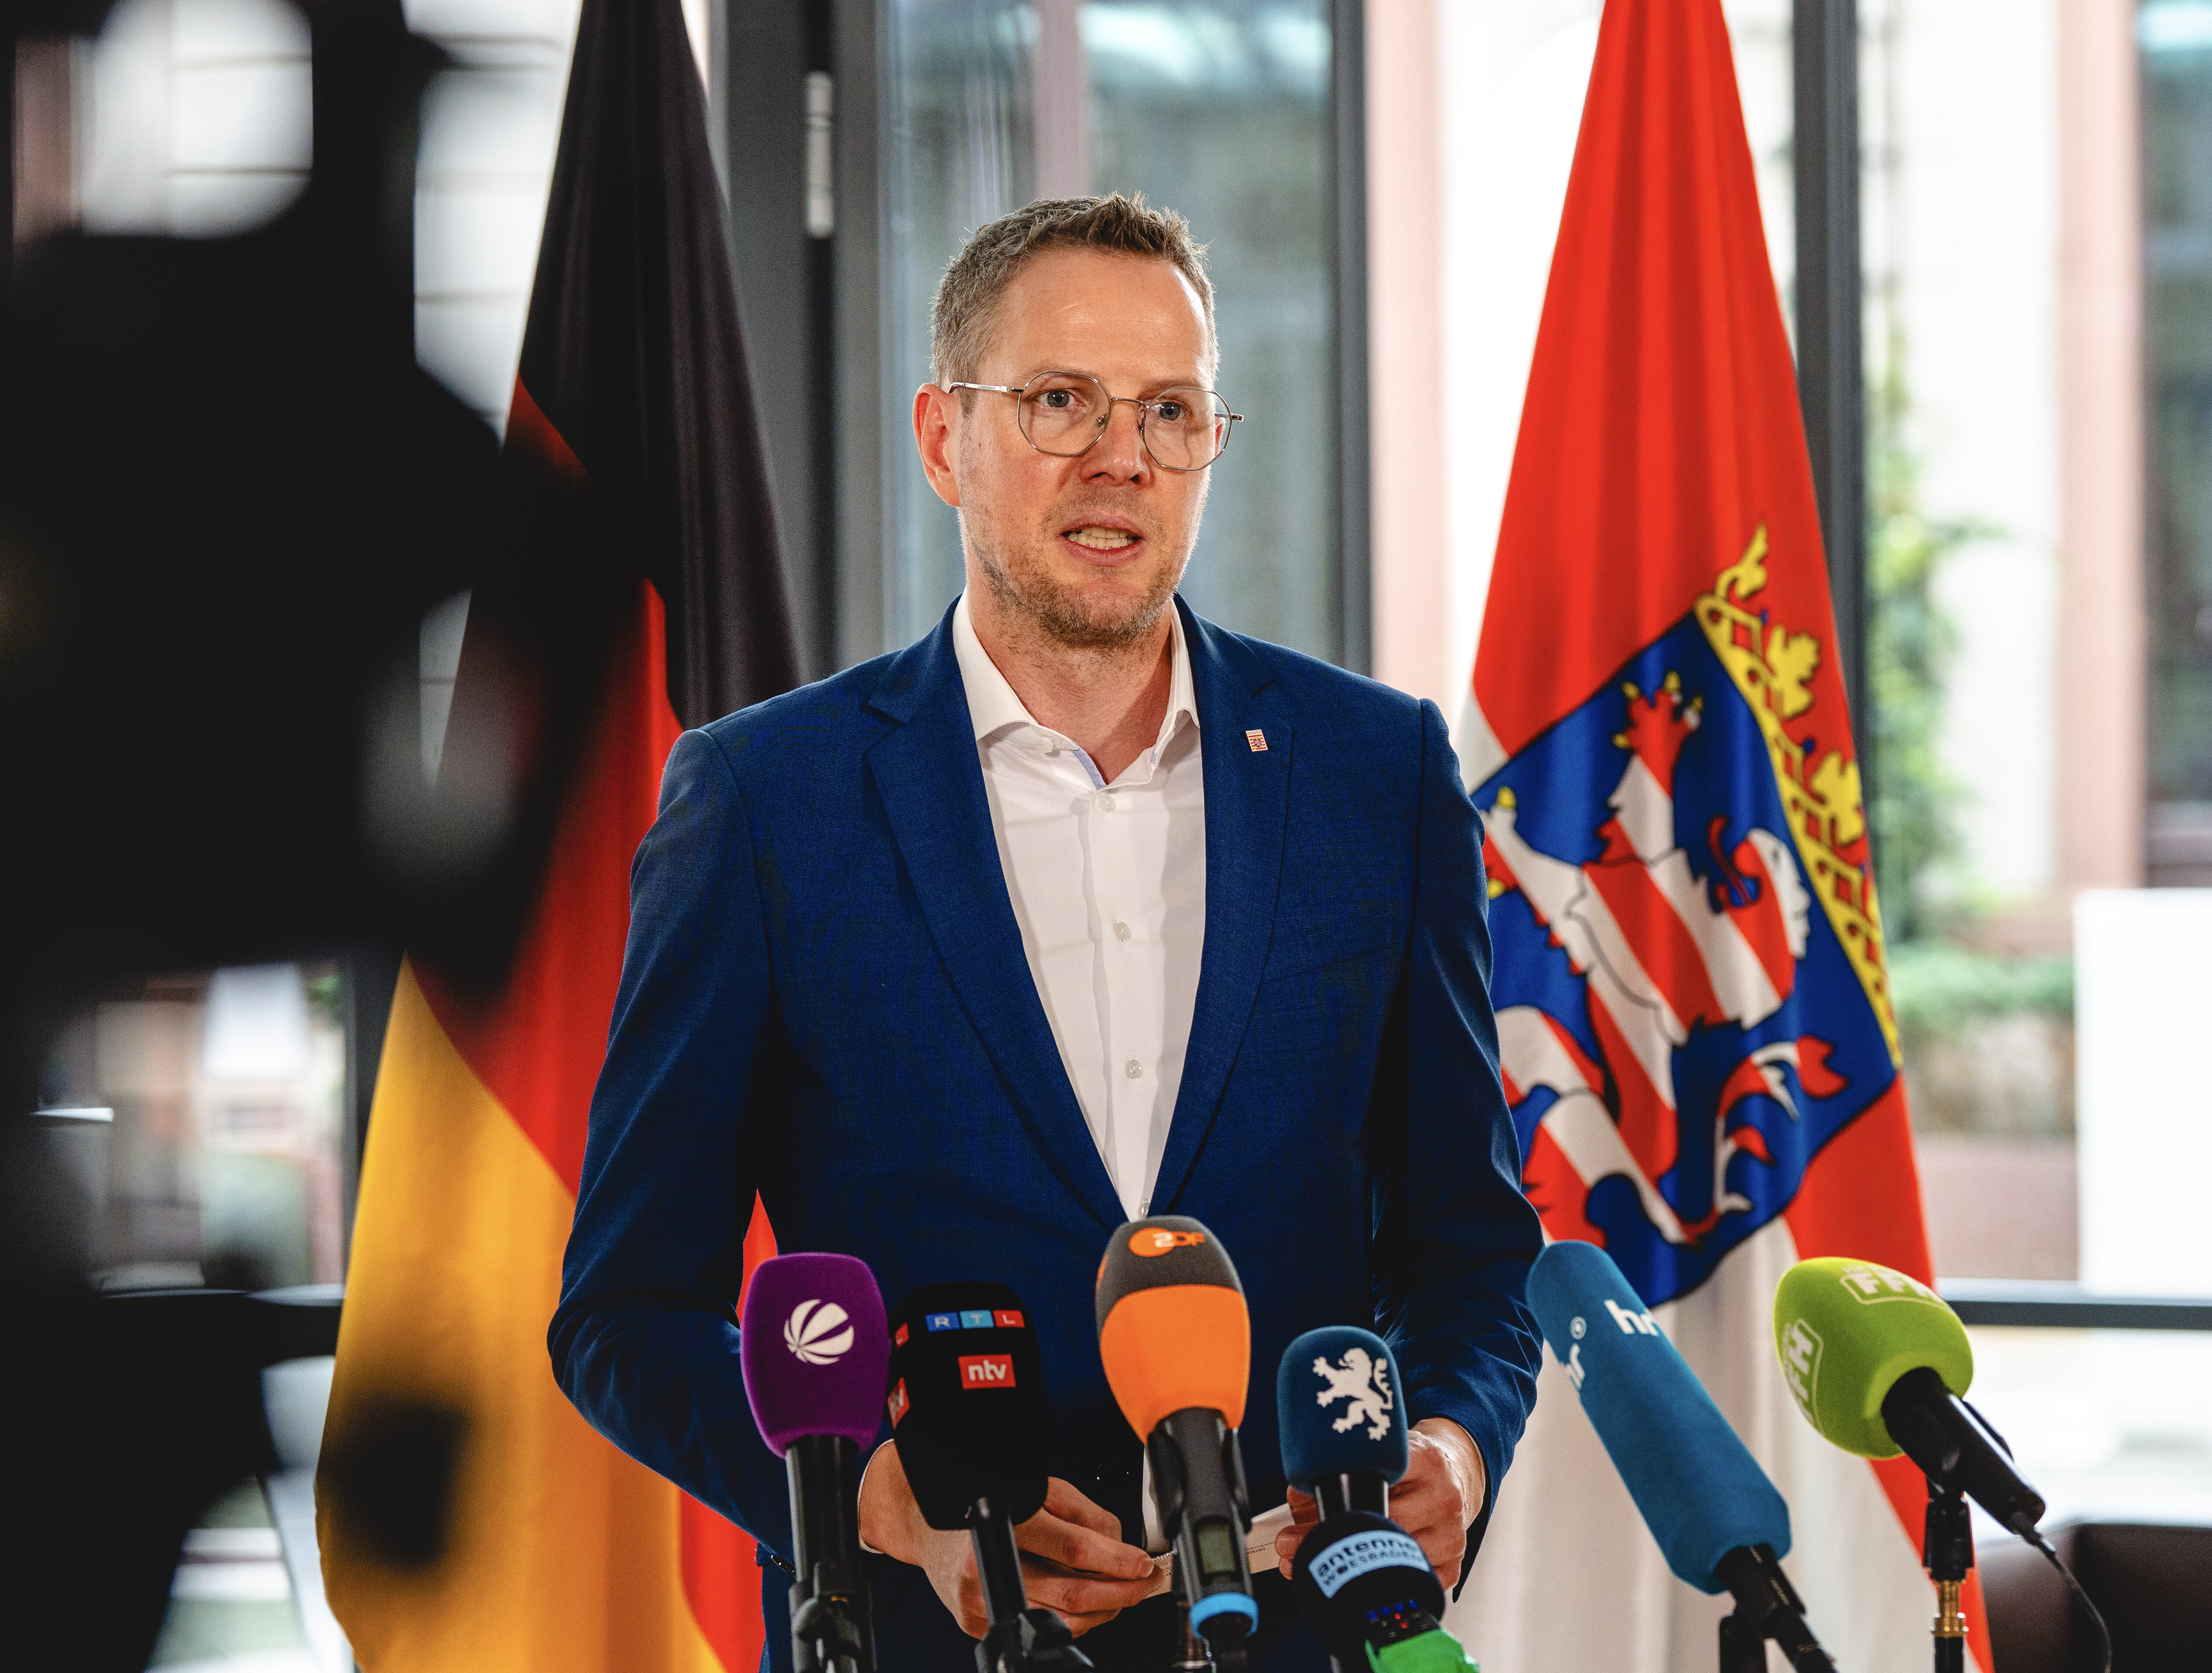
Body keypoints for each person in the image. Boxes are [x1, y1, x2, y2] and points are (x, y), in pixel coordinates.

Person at [551, 194, 1540, 1670]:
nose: (1122, 458)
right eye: (1061, 401)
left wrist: (1453, 1443)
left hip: (1306, 1631)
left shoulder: (1376, 773)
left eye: (1171, 411)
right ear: (943, 438)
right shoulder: (766, 801)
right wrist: (876, 1503)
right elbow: (628, 1310)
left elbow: (1471, 1249)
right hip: (926, 1638)